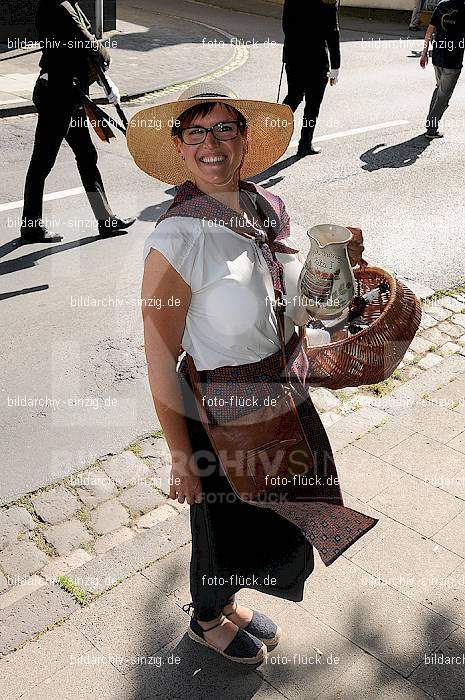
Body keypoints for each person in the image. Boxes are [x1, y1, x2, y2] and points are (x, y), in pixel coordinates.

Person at [128, 81, 377, 664]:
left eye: (225, 129)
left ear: (244, 141)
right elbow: (160, 357)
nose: (212, 143)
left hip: (284, 397)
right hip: (222, 416)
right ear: (180, 147)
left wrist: (333, 296)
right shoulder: (178, 235)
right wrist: (180, 455)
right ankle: (206, 617)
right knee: (223, 530)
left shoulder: (266, 208)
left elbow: (286, 302)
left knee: (273, 515)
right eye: (197, 132)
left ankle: (229, 600)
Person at [20, 0, 135, 243]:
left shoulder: (64, 4)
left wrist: (103, 77)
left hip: (67, 94)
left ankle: (105, 220)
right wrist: (104, 57)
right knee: (43, 161)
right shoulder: (62, 7)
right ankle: (30, 227)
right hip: (58, 97)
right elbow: (92, 46)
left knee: (85, 154)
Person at [282, 0, 341, 156]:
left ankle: (271, 135)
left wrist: (288, 51)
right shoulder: (328, 0)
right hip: (317, 60)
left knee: (293, 97)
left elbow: (286, 26)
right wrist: (336, 66)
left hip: (294, 57)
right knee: (312, 106)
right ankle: (305, 144)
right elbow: (333, 34)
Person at [420, 0, 465, 138]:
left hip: (437, 57)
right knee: (444, 96)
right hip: (452, 60)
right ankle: (432, 128)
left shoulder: (441, 5)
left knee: (440, 90)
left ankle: (431, 122)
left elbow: (430, 29)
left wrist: (424, 52)